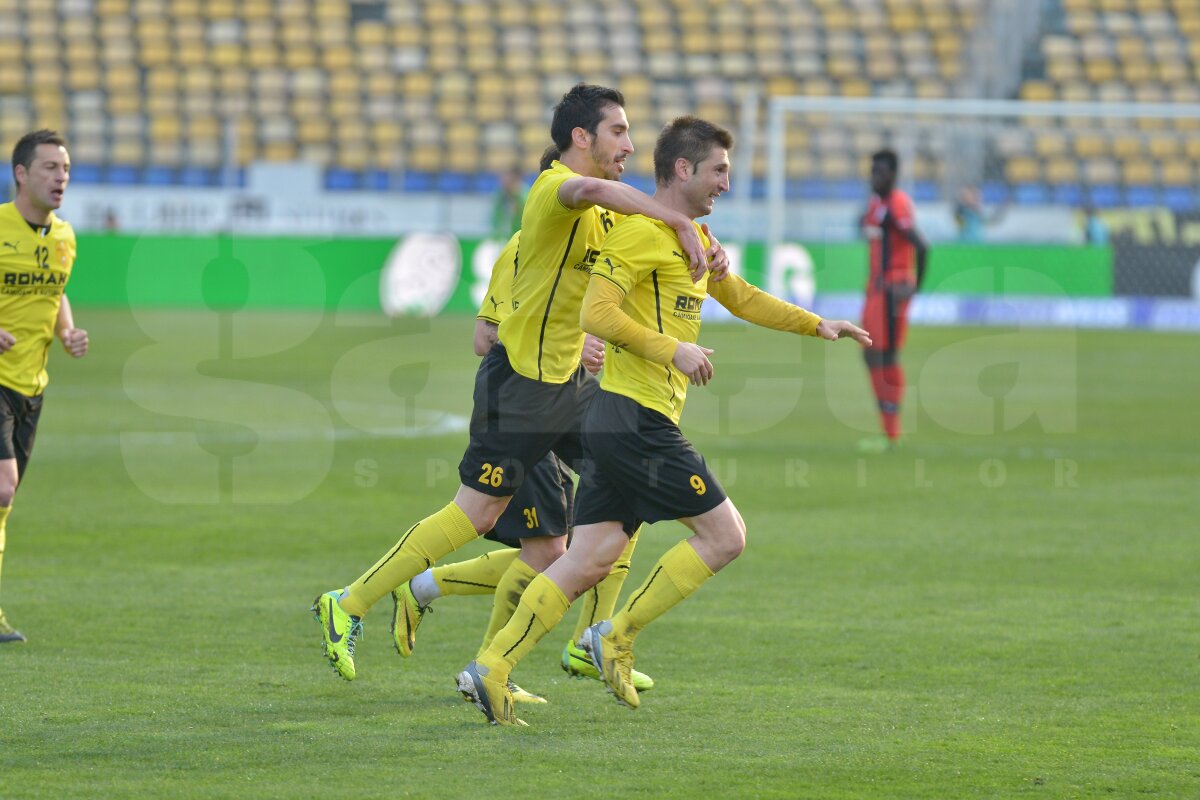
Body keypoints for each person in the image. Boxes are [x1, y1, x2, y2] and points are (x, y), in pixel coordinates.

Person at [457, 115, 871, 726]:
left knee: (586, 559)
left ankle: (491, 669)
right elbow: (596, 314)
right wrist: (669, 349)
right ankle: (615, 636)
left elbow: (742, 296)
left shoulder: (694, 238)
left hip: (617, 420)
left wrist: (818, 324)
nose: (726, 184)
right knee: (725, 536)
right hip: (634, 418)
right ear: (683, 169)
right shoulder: (636, 235)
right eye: (719, 171)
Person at [312, 84, 716, 683]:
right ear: (581, 138)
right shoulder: (555, 190)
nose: (630, 144)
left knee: (618, 487)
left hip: (569, 385)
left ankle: (587, 641)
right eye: (618, 132)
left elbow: (625, 265)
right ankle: (347, 604)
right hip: (520, 387)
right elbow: (593, 192)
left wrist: (704, 247)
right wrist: (676, 217)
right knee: (476, 513)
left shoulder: (607, 216)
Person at [390, 146, 654, 698]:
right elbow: (484, 337)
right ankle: (488, 654)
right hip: (528, 402)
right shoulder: (523, 251)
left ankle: (572, 641)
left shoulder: (589, 241)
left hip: (569, 402)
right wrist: (559, 340)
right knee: (547, 551)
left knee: (615, 508)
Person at [0, 129, 89, 644]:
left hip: (31, 386)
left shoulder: (64, 237)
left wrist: (67, 331)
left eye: (66, 169)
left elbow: (57, 292)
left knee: (2, 504)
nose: (61, 178)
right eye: (51, 168)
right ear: (21, 174)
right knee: (3, 485)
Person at [858, 149, 928, 453]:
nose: (875, 177)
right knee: (871, 353)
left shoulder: (897, 204)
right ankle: (888, 430)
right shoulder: (877, 204)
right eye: (873, 171)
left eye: (881, 172)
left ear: (893, 176)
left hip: (892, 289)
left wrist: (914, 287)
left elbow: (922, 245)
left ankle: (892, 433)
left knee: (885, 355)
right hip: (877, 289)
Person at [489, 167, 526, 241]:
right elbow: (496, 218)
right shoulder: (501, 196)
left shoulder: (523, 196)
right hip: (503, 237)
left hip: (520, 237)